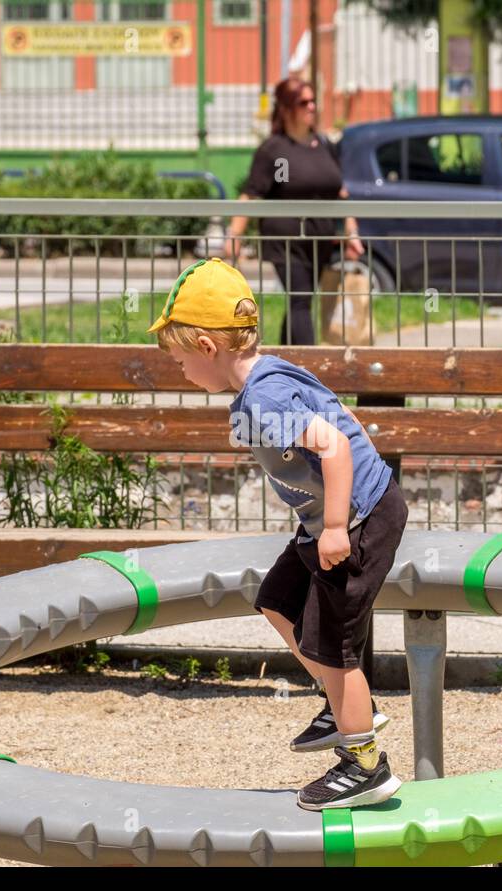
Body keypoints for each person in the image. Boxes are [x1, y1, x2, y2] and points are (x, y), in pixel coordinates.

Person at [149, 257, 408, 810]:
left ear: (206, 346)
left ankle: (365, 763)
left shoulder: (263, 398)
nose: (181, 373)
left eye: (179, 361)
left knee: (332, 644)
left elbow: (335, 446)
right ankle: (337, 704)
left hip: (357, 519)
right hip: (330, 520)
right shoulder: (267, 377)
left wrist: (337, 528)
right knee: (278, 600)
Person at [224, 77, 364, 346]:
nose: (311, 107)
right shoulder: (276, 151)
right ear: (287, 108)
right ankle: (307, 369)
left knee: (302, 298)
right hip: (286, 241)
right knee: (300, 297)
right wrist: (235, 236)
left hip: (318, 240)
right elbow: (252, 194)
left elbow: (340, 193)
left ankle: (286, 363)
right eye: (303, 102)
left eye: (313, 101)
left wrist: (352, 232)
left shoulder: (324, 145)